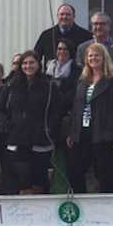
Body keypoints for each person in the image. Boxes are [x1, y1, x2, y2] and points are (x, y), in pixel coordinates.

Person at [0, 50, 60, 195]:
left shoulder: (49, 86)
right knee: (22, 181)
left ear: (38, 64)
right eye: (24, 63)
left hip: (41, 141)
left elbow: (57, 110)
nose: (28, 66)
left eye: (31, 62)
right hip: (17, 140)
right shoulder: (11, 85)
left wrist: (50, 128)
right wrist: (5, 124)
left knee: (40, 181)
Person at [67, 43, 113, 193]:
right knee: (75, 172)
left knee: (105, 175)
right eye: (90, 55)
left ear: (104, 57)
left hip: (104, 134)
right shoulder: (83, 79)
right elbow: (76, 108)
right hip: (82, 133)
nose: (93, 58)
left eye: (96, 55)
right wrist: (72, 132)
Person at [45, 37, 82, 193]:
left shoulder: (77, 70)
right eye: (59, 49)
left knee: (71, 160)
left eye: (65, 49)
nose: (62, 52)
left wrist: (57, 97)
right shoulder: (48, 70)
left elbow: (75, 93)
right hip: (50, 121)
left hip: (68, 120)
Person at [75, 12, 113, 93]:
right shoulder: (82, 48)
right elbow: (79, 77)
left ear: (109, 26)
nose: (98, 27)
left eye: (102, 24)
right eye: (95, 24)